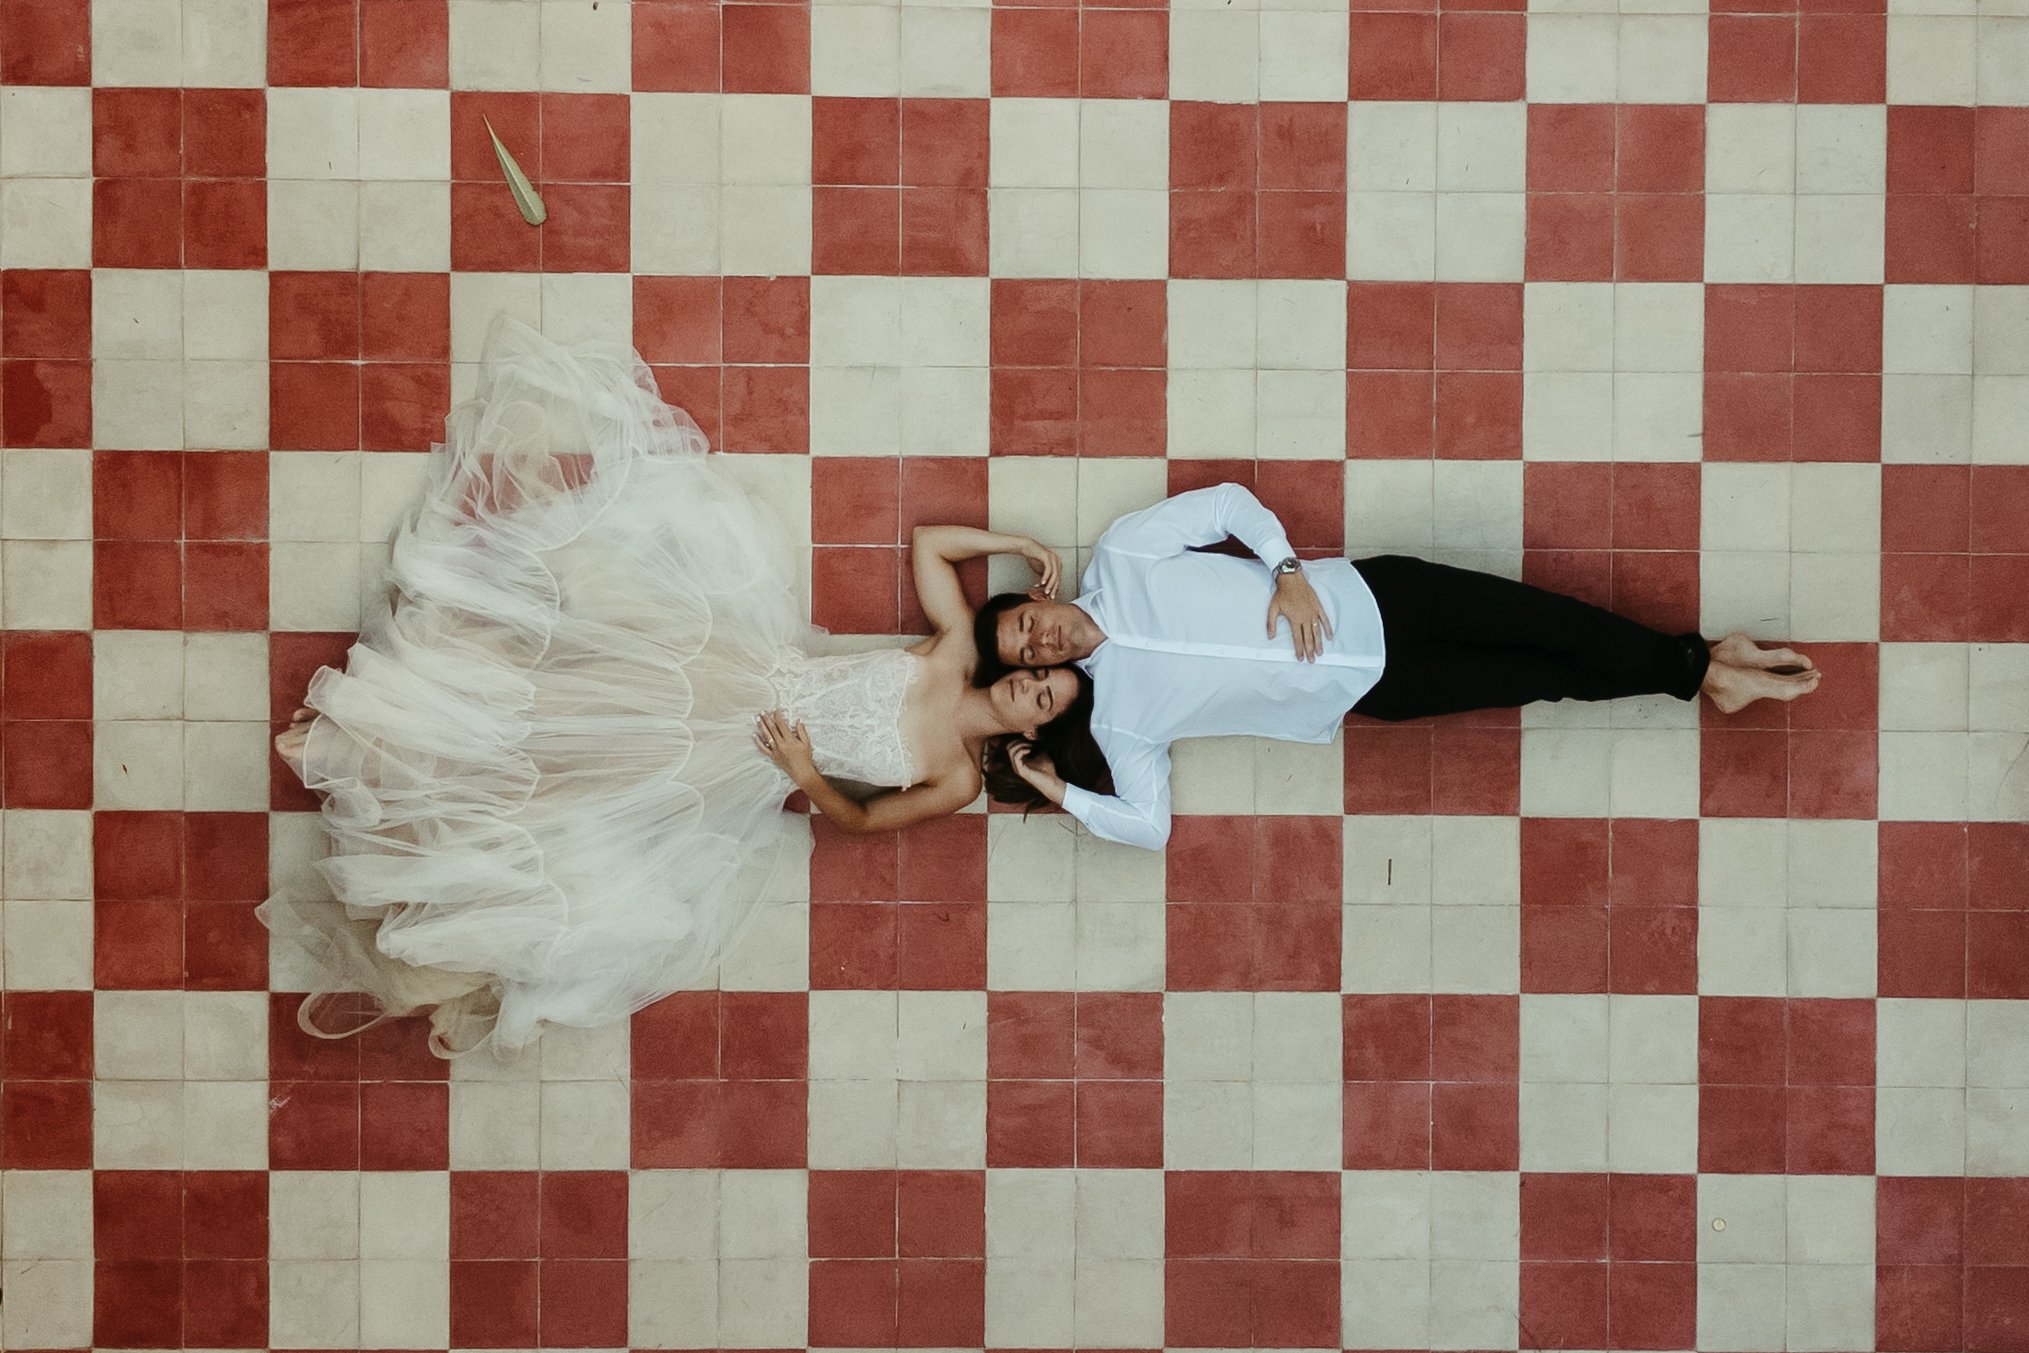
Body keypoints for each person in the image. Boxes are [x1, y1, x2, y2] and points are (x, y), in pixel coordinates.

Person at [264, 318, 1103, 1057]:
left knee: (572, 786)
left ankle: (376, 774)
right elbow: (930, 544)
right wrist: (1014, 539)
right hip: (737, 669)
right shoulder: (955, 651)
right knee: (561, 693)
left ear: (1037, 729)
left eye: (1046, 697)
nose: (1033, 683)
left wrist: (805, 770)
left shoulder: (956, 780)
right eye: (1038, 673)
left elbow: (863, 819)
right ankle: (365, 730)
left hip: (749, 760)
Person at [977, 482, 1823, 851]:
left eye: (1026, 626)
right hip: (1374, 688)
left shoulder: (1126, 553)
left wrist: (1285, 570)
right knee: (1546, 674)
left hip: (1378, 596)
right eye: (1026, 654)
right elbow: (1148, 827)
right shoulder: (1119, 718)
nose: (1042, 643)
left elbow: (1228, 502)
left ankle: (1704, 669)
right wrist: (1057, 789)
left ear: (1034, 597)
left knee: (1549, 619)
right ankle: (1703, 666)